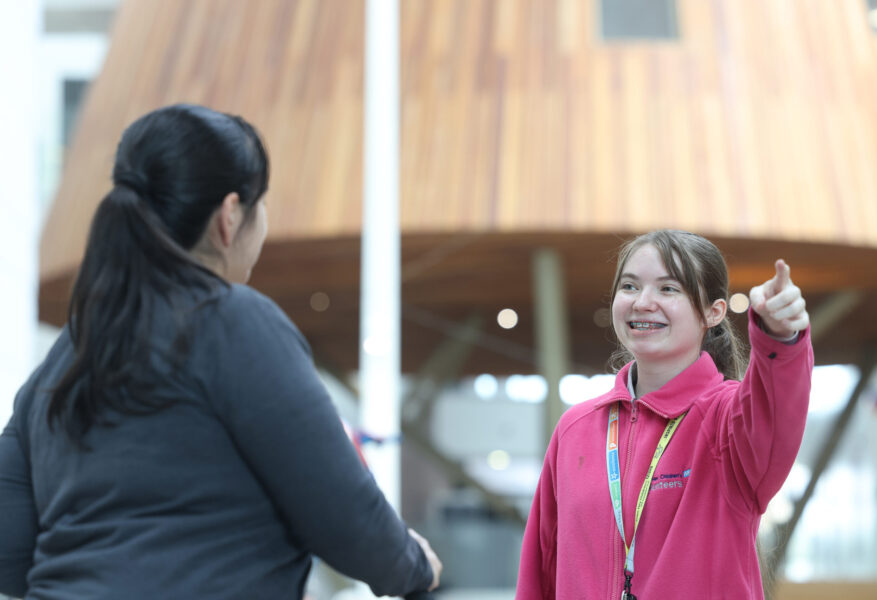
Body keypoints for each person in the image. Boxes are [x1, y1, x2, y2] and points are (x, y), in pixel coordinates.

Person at [0, 104, 441, 599]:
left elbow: (10, 545)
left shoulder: (71, 350)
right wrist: (413, 566)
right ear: (229, 217)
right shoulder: (232, 322)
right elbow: (343, 513)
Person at [516, 229, 813, 599]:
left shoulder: (728, 422)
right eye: (629, 286)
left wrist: (780, 337)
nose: (642, 302)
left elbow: (776, 408)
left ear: (713, 312)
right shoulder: (575, 428)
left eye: (668, 289)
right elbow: (539, 573)